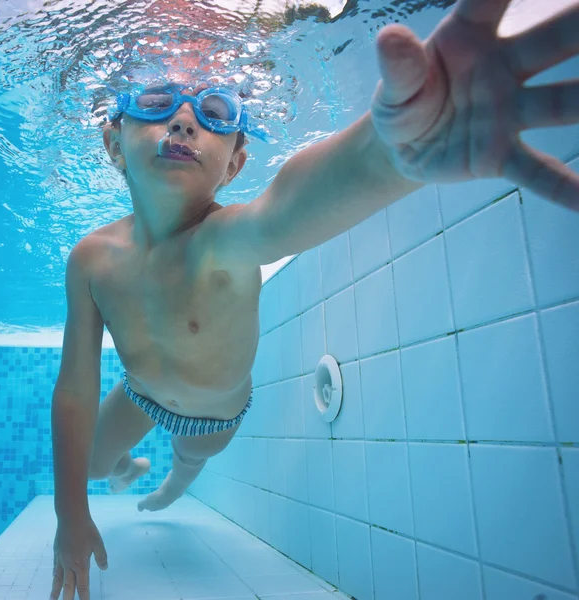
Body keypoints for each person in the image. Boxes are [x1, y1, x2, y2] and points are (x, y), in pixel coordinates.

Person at [50, 0, 579, 598]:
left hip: (211, 413)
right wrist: (72, 513)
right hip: (141, 391)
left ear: (235, 165)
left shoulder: (223, 242)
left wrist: (391, 151)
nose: (182, 120)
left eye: (215, 112)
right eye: (153, 103)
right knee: (94, 466)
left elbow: (286, 209)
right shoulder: (90, 260)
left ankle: (167, 478)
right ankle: (127, 467)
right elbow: (75, 388)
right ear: (114, 142)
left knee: (185, 466)